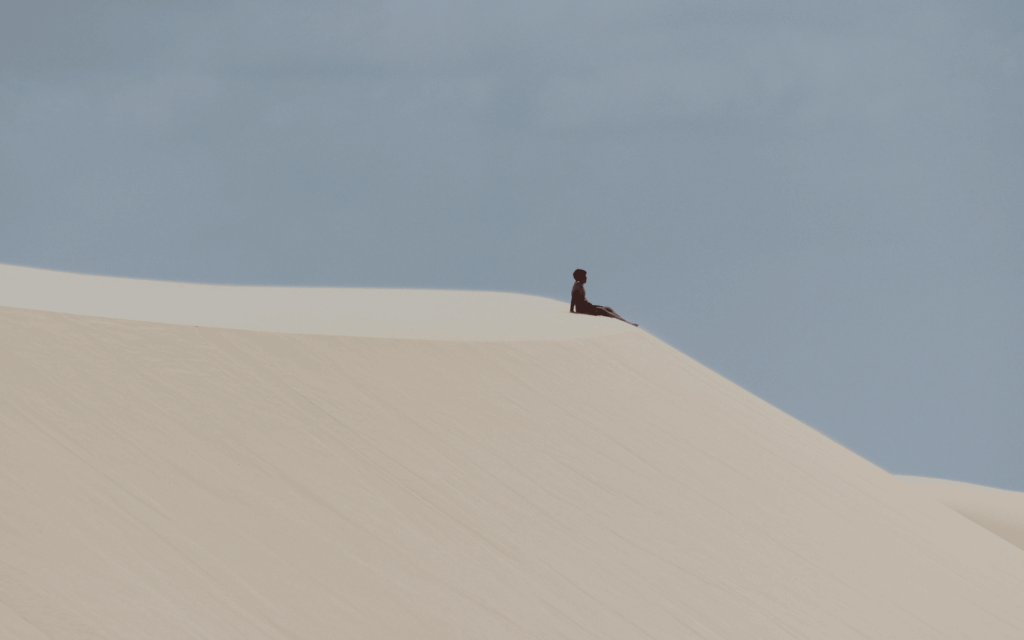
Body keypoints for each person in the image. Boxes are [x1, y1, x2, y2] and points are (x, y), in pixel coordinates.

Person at [570, 269, 637, 326]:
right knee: (601, 310)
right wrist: (572, 310)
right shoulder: (577, 284)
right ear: (580, 277)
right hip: (582, 309)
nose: (586, 277)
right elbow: (573, 297)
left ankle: (624, 320)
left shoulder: (580, 285)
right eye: (584, 276)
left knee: (608, 308)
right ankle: (626, 323)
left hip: (587, 306)